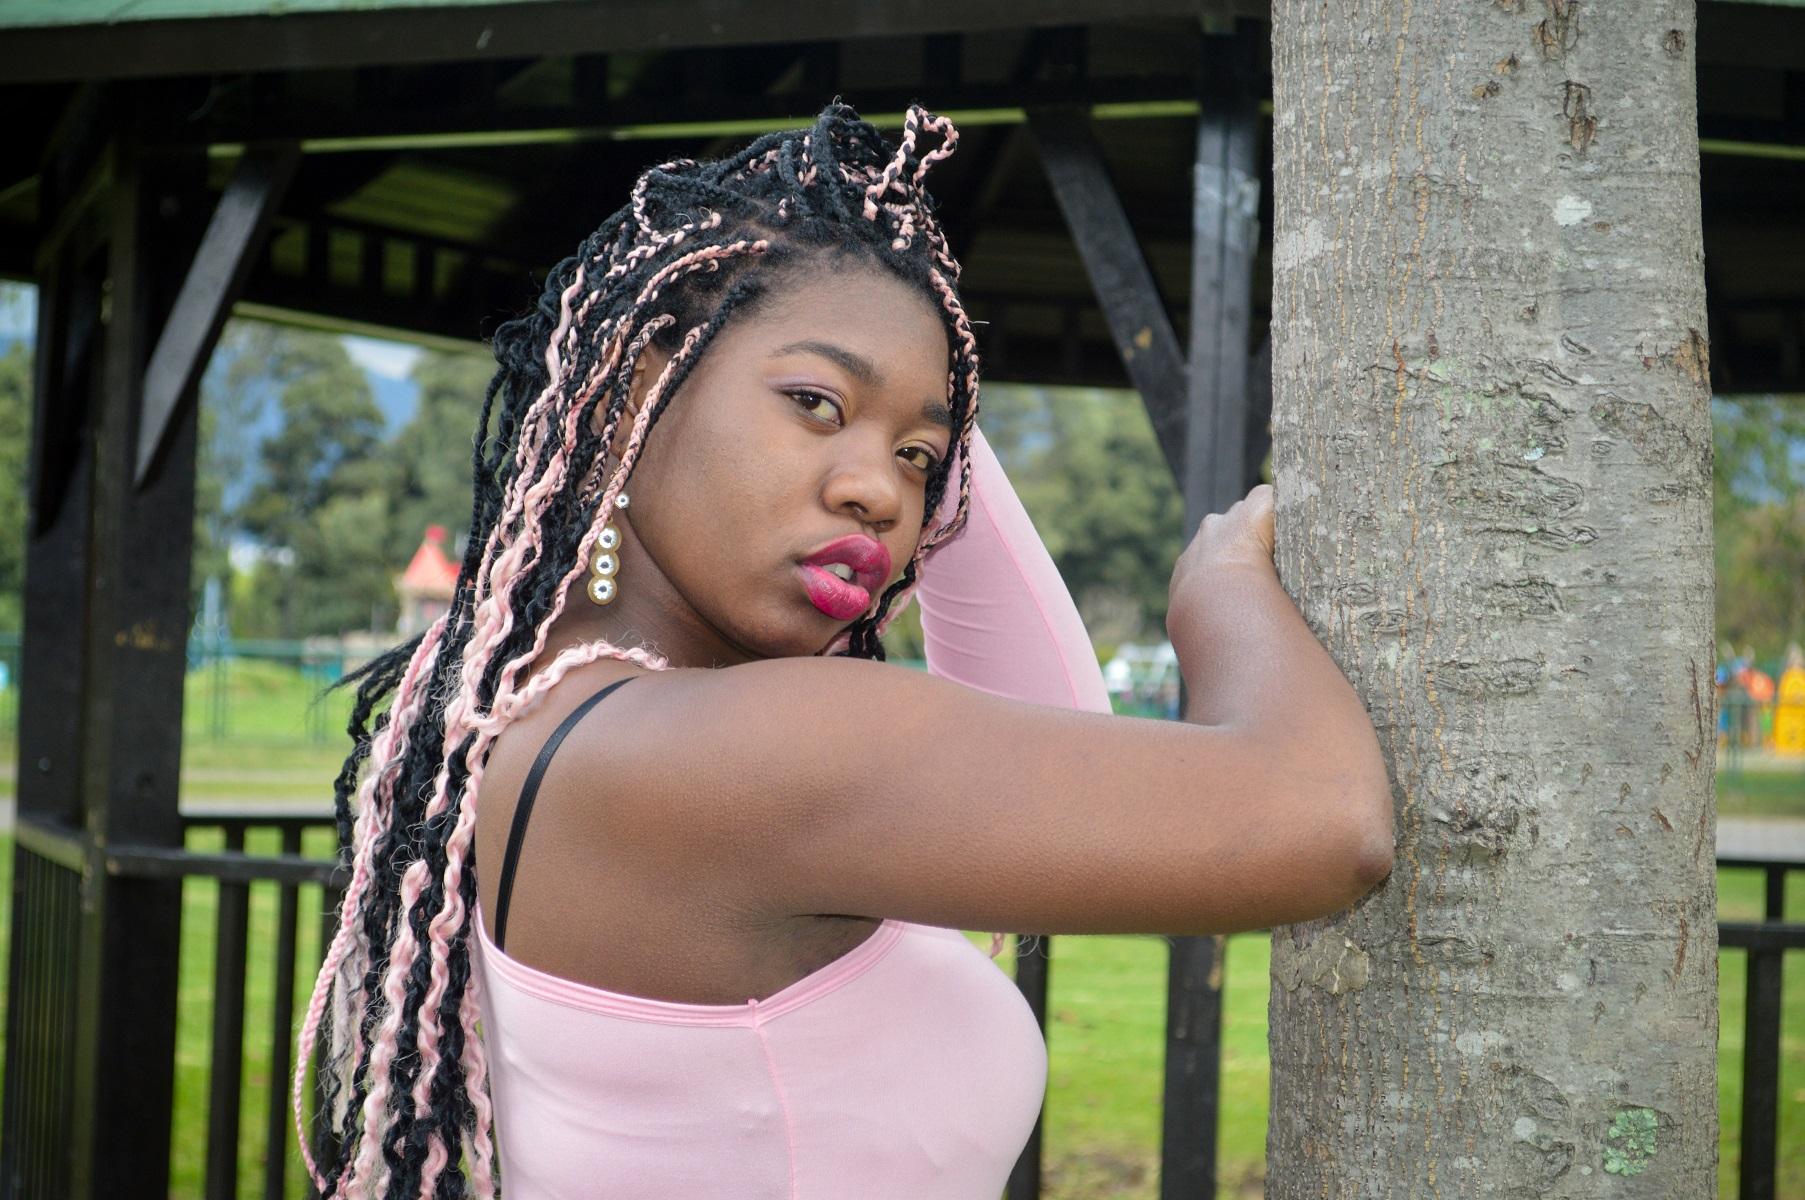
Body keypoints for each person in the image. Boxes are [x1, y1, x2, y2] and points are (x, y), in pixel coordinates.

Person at [293, 101, 1393, 1200]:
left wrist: (905, 380)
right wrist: (1219, 588)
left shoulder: (525, 715)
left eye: (920, 460)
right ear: (632, 390)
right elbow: (1324, 820)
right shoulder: (751, 752)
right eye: (814, 403)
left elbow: (1057, 739)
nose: (881, 492)